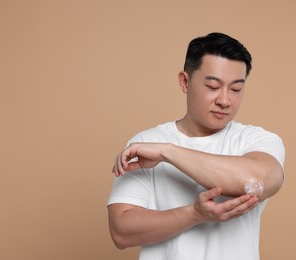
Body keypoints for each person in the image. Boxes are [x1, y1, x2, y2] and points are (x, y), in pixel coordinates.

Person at [107, 32, 285, 260]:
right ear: (185, 81)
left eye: (236, 89)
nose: (225, 100)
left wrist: (167, 152)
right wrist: (194, 214)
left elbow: (256, 180)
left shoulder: (257, 140)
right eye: (212, 86)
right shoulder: (143, 142)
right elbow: (121, 232)